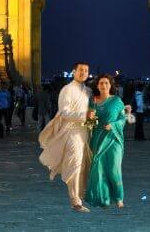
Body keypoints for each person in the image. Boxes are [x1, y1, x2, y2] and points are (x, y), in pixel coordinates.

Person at [39, 61, 94, 214]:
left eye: (86, 70)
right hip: (72, 132)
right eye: (80, 70)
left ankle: (81, 194)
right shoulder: (67, 90)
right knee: (75, 164)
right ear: (74, 72)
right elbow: (64, 112)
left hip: (85, 132)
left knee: (83, 165)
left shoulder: (88, 91)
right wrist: (85, 116)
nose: (83, 72)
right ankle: (75, 201)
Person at [84, 74, 127, 209]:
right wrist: (90, 118)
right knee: (99, 169)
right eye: (101, 83)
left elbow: (123, 119)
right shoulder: (93, 101)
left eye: (106, 83)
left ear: (110, 85)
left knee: (114, 169)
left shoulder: (117, 101)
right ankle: (104, 198)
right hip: (98, 139)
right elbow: (90, 125)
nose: (104, 85)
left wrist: (113, 125)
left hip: (113, 139)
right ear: (97, 86)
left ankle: (119, 197)